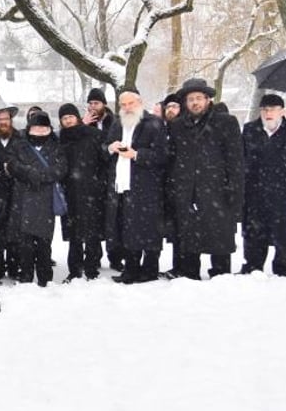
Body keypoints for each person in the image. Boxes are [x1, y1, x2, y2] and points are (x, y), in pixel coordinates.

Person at [166, 77, 244, 279]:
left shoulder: (226, 122)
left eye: (199, 98)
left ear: (208, 99)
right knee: (190, 239)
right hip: (187, 193)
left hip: (218, 191)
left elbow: (235, 159)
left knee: (219, 239)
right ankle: (190, 275)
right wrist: (175, 188)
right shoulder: (177, 126)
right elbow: (173, 160)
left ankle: (220, 276)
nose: (195, 103)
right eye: (191, 99)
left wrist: (233, 188)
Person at [240, 94, 286, 275]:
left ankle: (282, 265)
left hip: (283, 189)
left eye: (272, 109)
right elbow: (241, 158)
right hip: (255, 190)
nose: (268, 113)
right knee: (253, 229)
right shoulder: (250, 130)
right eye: (265, 109)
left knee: (283, 229)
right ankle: (253, 265)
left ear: (282, 111)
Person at [105, 87, 168, 284]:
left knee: (148, 230)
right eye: (123, 104)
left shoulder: (154, 123)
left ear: (139, 103)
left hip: (147, 187)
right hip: (122, 186)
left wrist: (137, 155)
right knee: (128, 230)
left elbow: (162, 156)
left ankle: (149, 271)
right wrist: (110, 147)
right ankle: (130, 270)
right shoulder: (117, 123)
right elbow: (104, 147)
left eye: (130, 103)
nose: (127, 108)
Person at [6, 111, 67, 287]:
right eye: (36, 128)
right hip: (23, 198)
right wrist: (28, 173)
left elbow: (61, 169)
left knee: (44, 242)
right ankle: (25, 275)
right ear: (29, 129)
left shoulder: (56, 146)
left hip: (45, 200)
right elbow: (12, 164)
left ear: (49, 129)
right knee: (24, 242)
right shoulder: (19, 145)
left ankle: (44, 276)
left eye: (44, 128)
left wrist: (40, 176)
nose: (40, 132)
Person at [57, 103, 109, 281]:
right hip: (70, 193)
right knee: (74, 235)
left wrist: (99, 182)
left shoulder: (93, 135)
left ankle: (92, 269)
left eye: (70, 116)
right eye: (64, 118)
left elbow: (105, 161)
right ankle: (74, 269)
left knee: (92, 233)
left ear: (77, 117)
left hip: (92, 191)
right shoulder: (61, 139)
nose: (68, 120)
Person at [0, 104, 22, 280]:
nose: (3, 122)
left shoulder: (20, 138)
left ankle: (14, 266)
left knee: (14, 231)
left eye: (6, 119)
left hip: (16, 192)